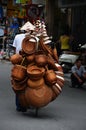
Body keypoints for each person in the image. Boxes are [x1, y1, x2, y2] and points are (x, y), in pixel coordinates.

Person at [12, 21, 35, 112]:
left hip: (19, 62)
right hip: (29, 63)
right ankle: (25, 103)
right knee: (28, 83)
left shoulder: (18, 36)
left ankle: (20, 105)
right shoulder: (34, 38)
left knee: (18, 83)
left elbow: (15, 50)